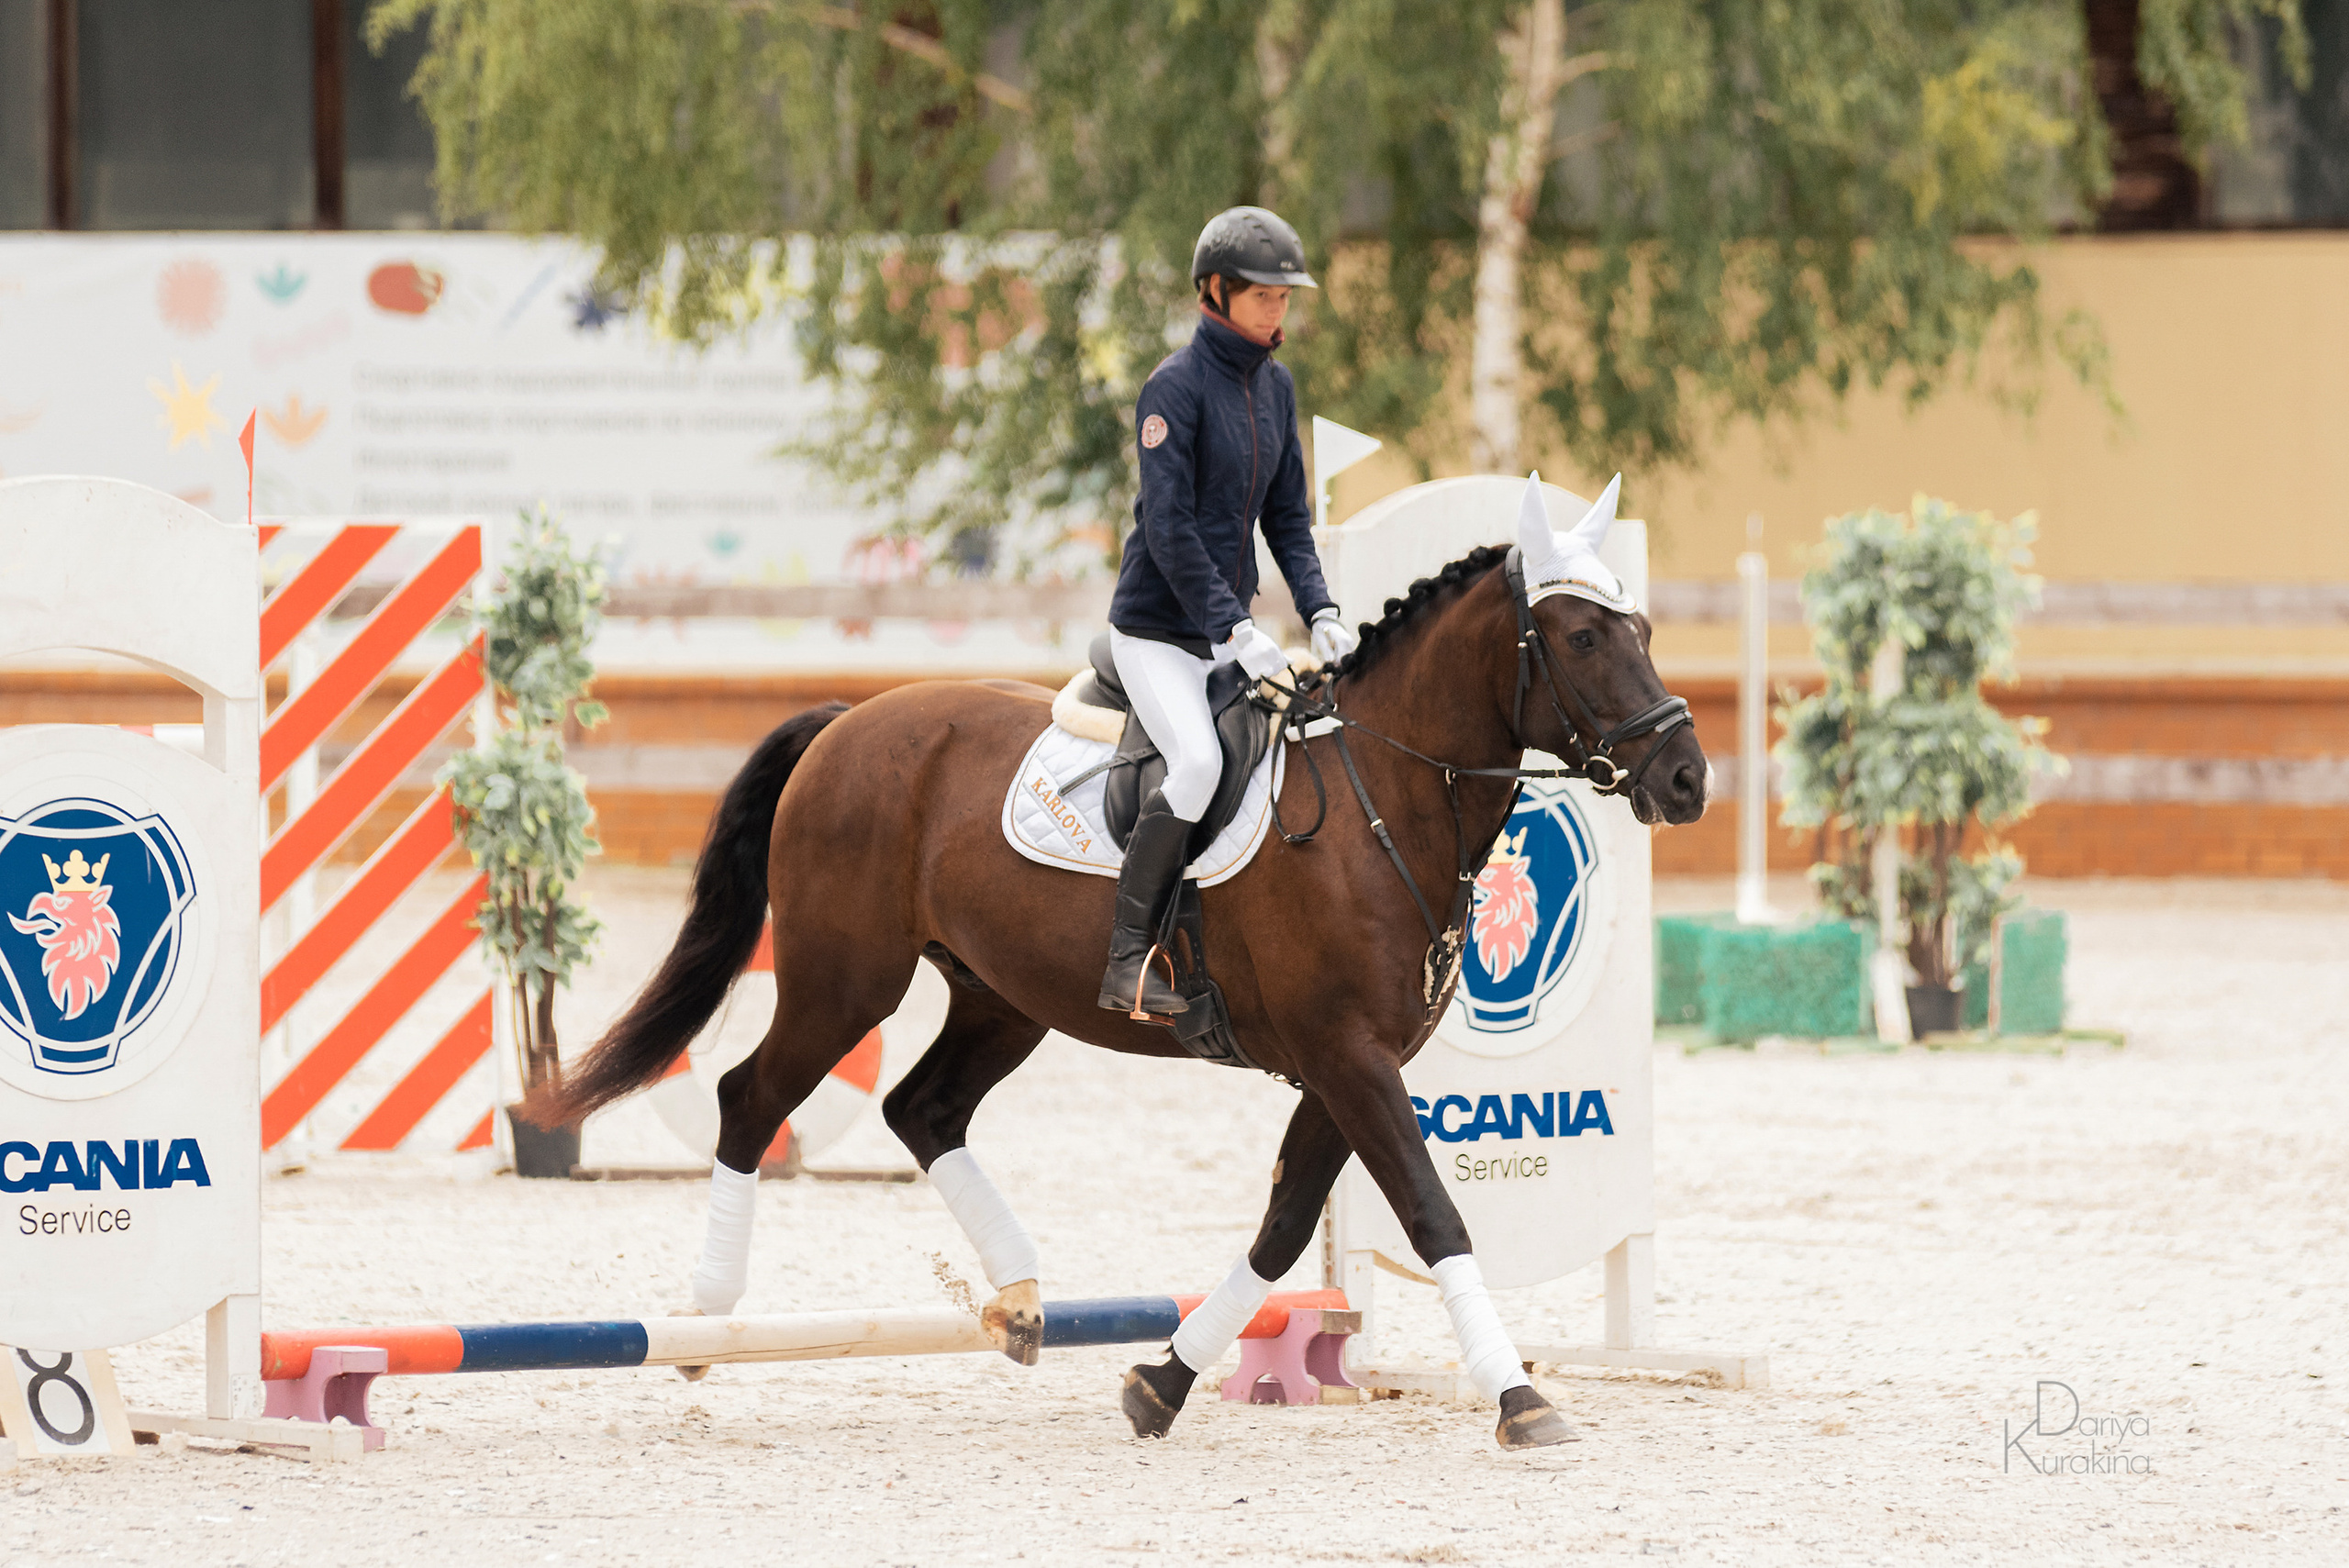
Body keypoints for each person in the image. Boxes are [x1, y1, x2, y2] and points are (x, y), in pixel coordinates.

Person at [1098, 205, 1360, 1020]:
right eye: (1262, 296)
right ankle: (1127, 959)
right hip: (1158, 633)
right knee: (1200, 765)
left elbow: (1287, 519)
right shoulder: (1172, 389)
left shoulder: (1275, 388)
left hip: (1224, 633)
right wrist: (1237, 629)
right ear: (1215, 291)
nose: (1278, 310)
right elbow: (1170, 531)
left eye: (1285, 297)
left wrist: (1321, 610)